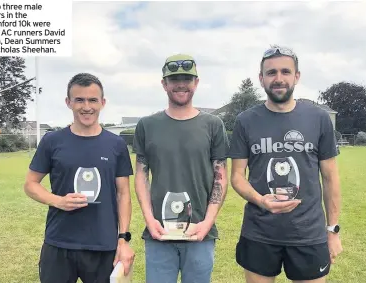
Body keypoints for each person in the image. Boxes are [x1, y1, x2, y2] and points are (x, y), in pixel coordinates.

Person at [228, 45, 343, 283]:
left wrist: (332, 231)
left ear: (296, 76)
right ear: (261, 79)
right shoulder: (245, 121)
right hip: (259, 232)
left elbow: (330, 178)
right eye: (271, 73)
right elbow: (237, 176)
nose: (278, 79)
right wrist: (261, 201)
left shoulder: (319, 118)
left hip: (308, 234)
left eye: (285, 72)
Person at [24, 73, 135, 283]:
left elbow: (123, 194)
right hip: (59, 243)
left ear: (102, 103)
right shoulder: (52, 141)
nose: (87, 106)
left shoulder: (116, 144)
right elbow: (30, 184)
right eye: (79, 100)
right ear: (68, 103)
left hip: (103, 246)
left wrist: (123, 239)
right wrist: (58, 200)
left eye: (93, 100)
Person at [133, 54, 229, 283]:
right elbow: (141, 176)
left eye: (187, 78)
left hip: (199, 232)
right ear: (164, 84)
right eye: (174, 79)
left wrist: (207, 222)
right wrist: (149, 219)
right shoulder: (147, 125)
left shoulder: (213, 125)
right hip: (159, 232)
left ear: (196, 82)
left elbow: (221, 177)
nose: (181, 84)